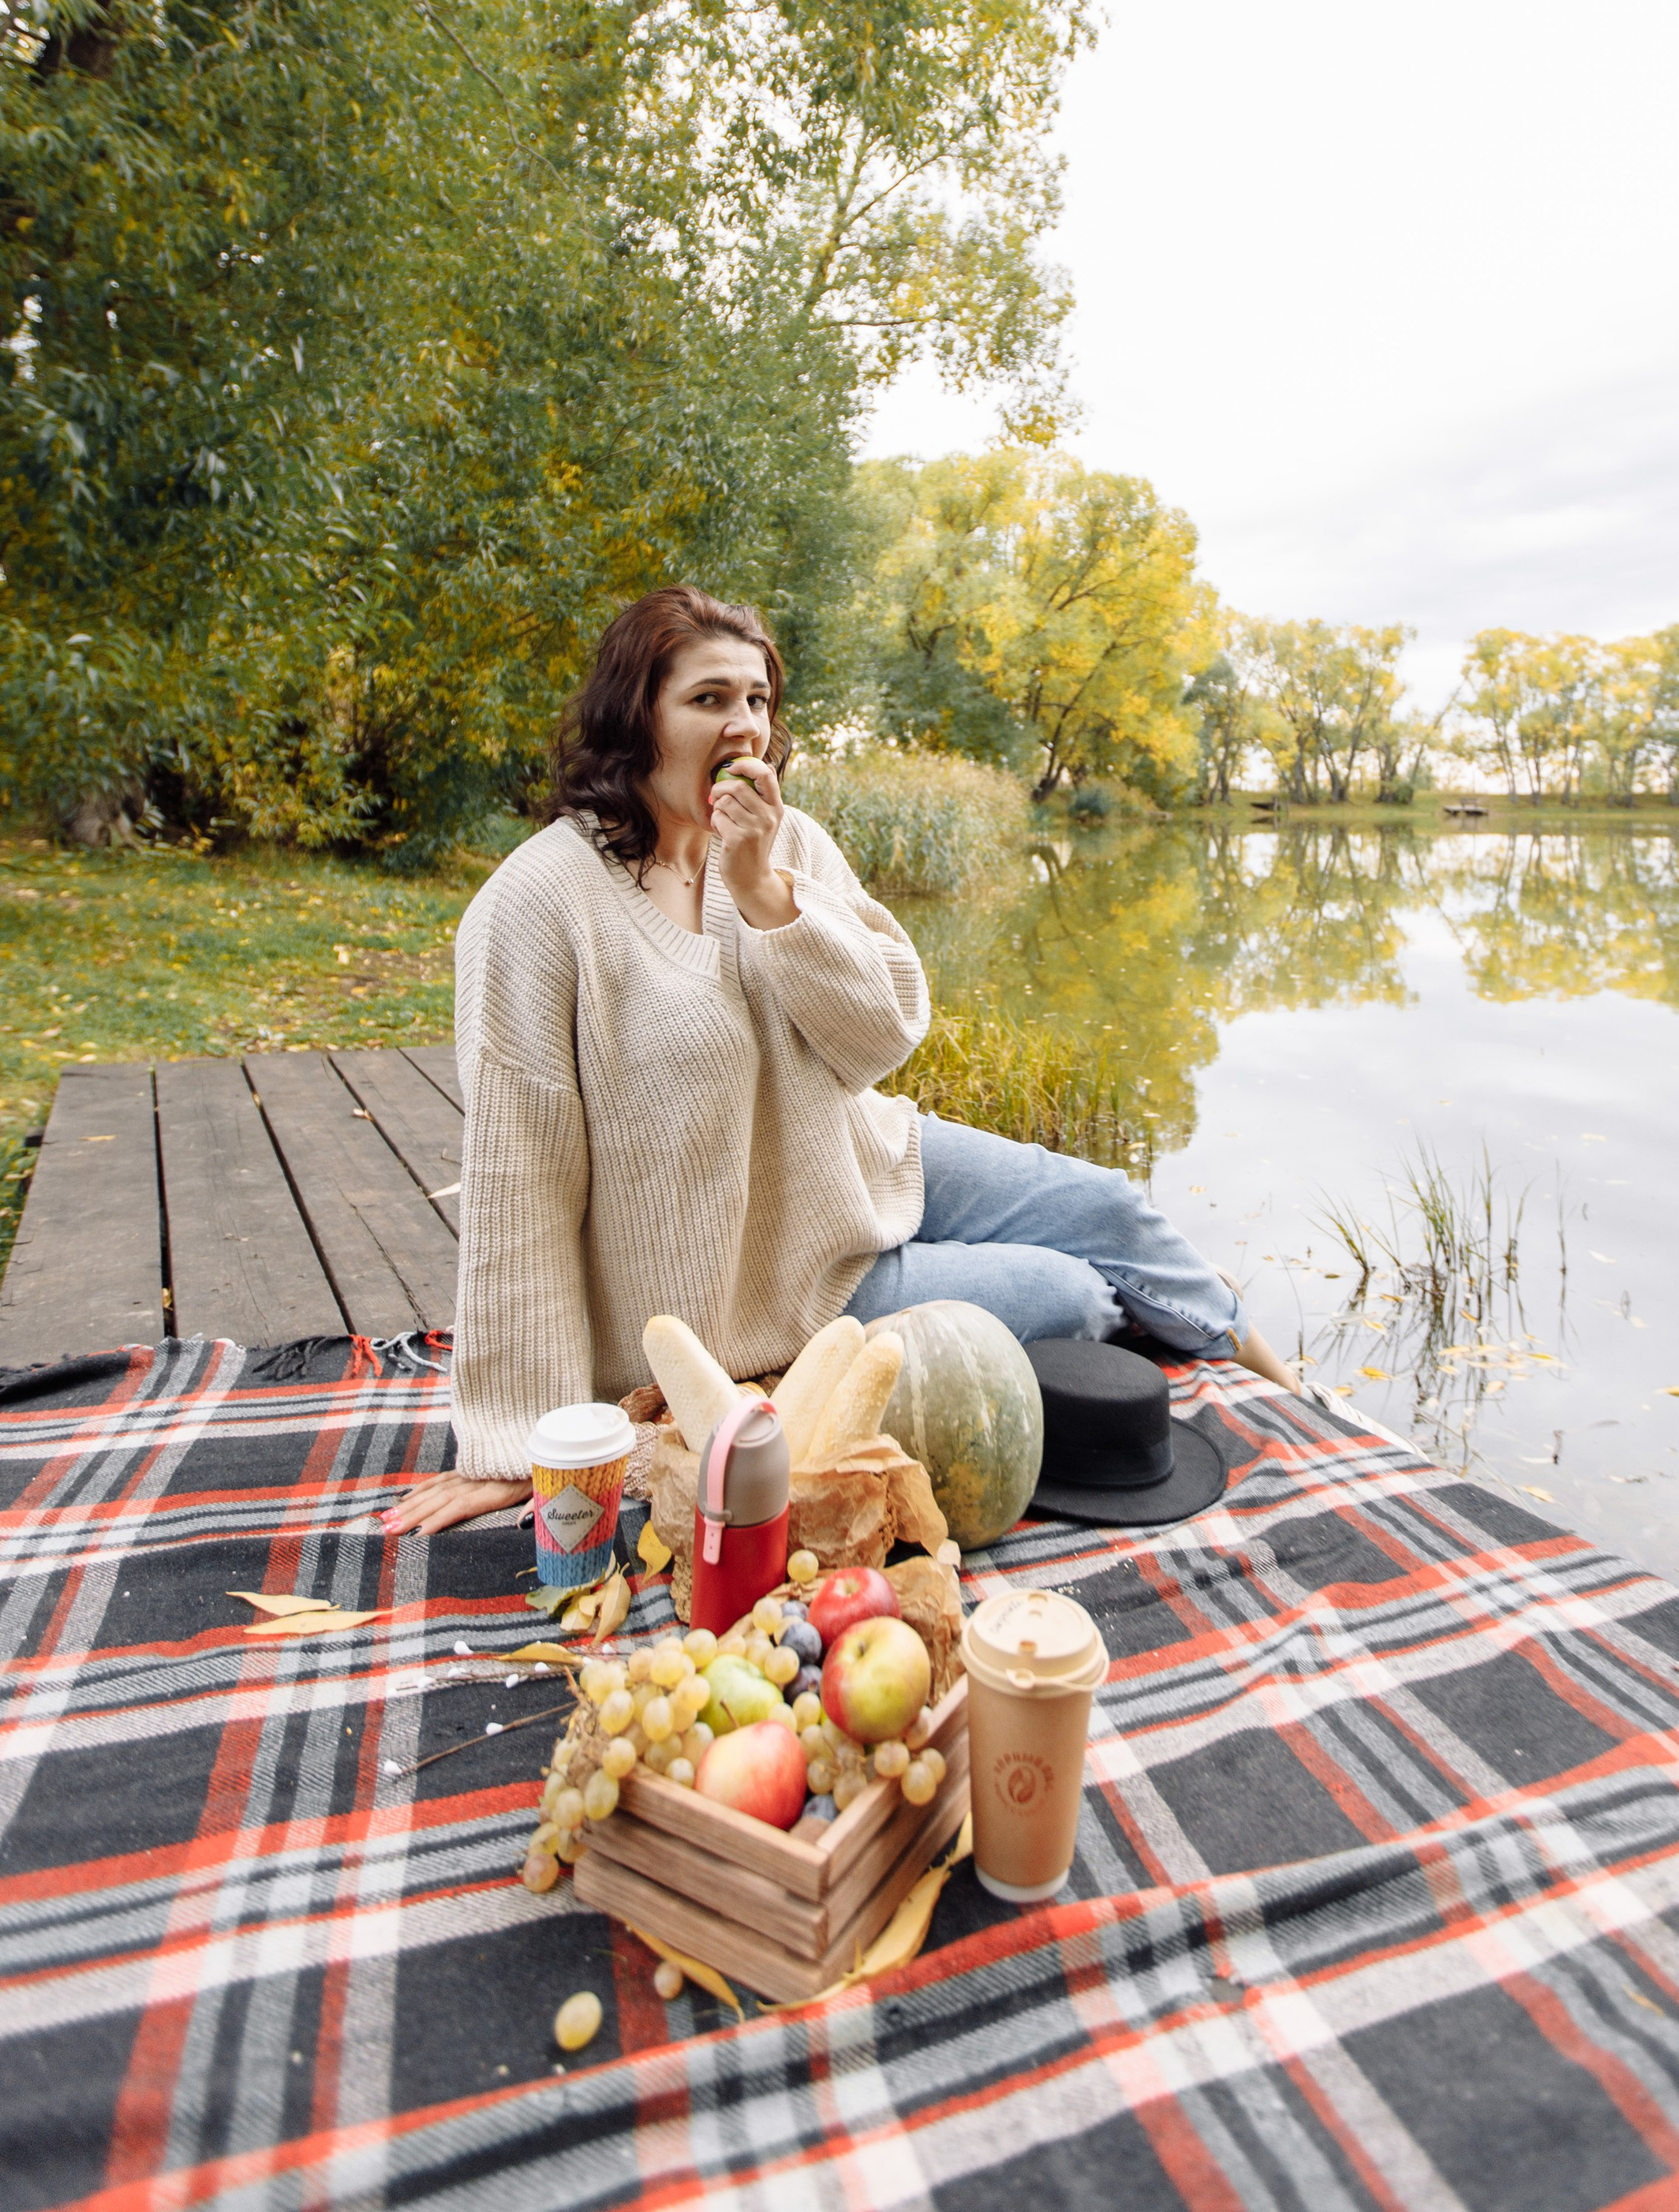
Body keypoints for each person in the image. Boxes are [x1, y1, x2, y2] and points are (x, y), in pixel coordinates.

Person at [387, 585, 1297, 1534]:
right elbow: (515, 1178)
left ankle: (1285, 1391)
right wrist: (511, 1445)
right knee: (1071, 1296)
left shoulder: (793, 847)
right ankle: (963, 1297)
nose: (743, 726)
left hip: (856, 1156)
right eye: (708, 700)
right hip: (765, 1283)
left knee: (1108, 1202)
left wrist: (767, 893)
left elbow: (883, 1036)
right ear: (635, 719)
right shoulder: (537, 904)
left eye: (757, 700)